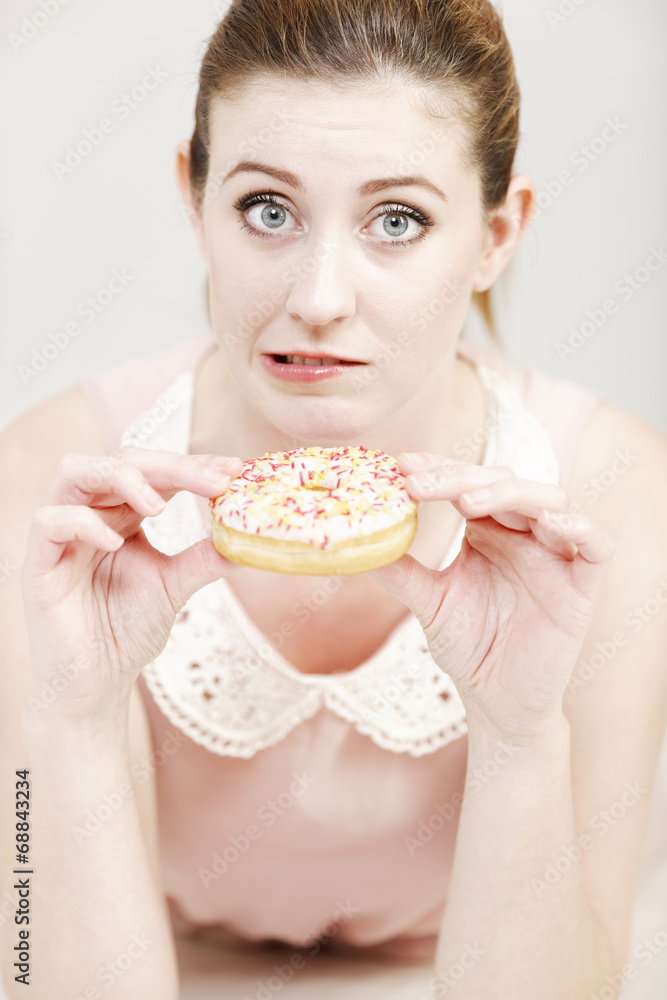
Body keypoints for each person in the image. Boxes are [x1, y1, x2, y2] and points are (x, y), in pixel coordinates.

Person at [1, 1, 666, 997]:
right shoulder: (60, 490)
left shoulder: (608, 500)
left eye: (396, 221)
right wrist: (71, 724)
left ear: (496, 233)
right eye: (267, 209)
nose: (317, 298)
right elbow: (39, 961)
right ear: (194, 200)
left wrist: (520, 740)